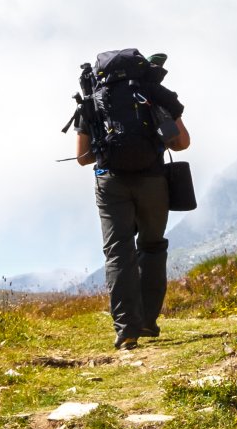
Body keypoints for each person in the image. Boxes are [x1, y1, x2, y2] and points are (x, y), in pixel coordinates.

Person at [74, 52, 190, 350]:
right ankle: (147, 321)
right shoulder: (153, 91)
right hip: (153, 180)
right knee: (152, 246)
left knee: (118, 252)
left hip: (110, 183)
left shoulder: (93, 99)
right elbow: (182, 142)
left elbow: (83, 158)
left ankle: (126, 330)